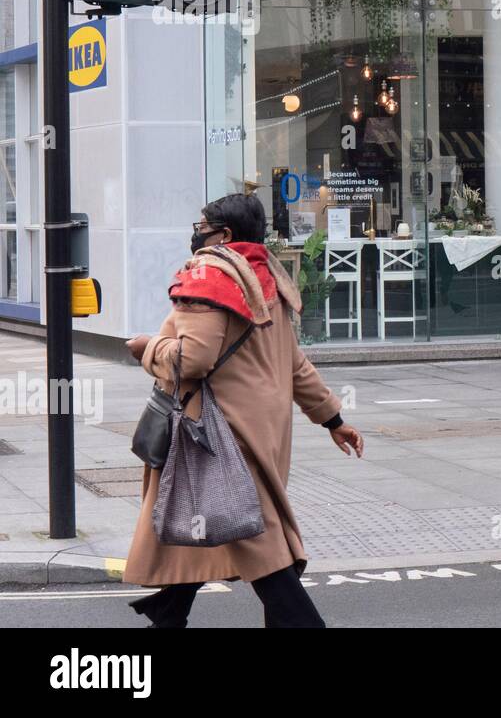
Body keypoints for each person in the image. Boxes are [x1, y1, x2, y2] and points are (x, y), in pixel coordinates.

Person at [122, 194, 364, 628]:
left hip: (220, 437)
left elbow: (191, 360)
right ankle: (168, 612)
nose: (195, 232)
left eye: (201, 225)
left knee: (259, 542)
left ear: (224, 235)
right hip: (261, 430)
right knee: (196, 519)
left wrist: (147, 349)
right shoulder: (266, 276)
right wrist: (333, 418)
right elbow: (295, 364)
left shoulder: (208, 279)